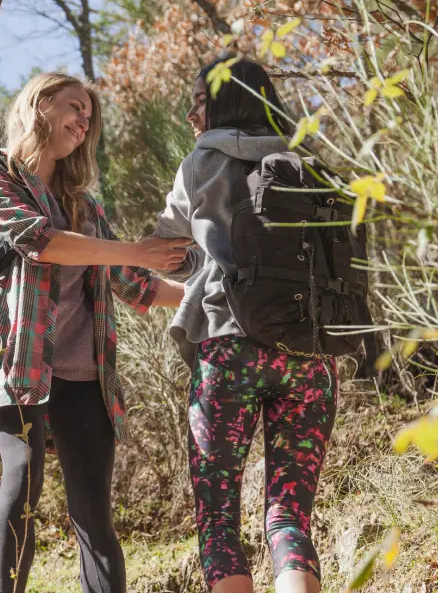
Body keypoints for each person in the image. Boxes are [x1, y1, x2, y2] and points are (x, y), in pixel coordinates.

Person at [0, 72, 189, 593]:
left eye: (89, 117)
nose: (83, 122)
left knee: (94, 512)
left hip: (86, 376)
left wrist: (213, 295)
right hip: (16, 366)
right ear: (39, 104)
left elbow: (134, 284)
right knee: (22, 479)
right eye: (74, 107)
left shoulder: (85, 205)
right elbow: (38, 240)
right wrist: (135, 250)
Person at [153, 56, 336, 593]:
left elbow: (166, 251)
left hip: (230, 351)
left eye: (199, 101)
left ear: (225, 102)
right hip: (309, 354)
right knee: (289, 516)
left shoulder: (201, 163)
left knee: (218, 521)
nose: (191, 114)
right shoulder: (307, 158)